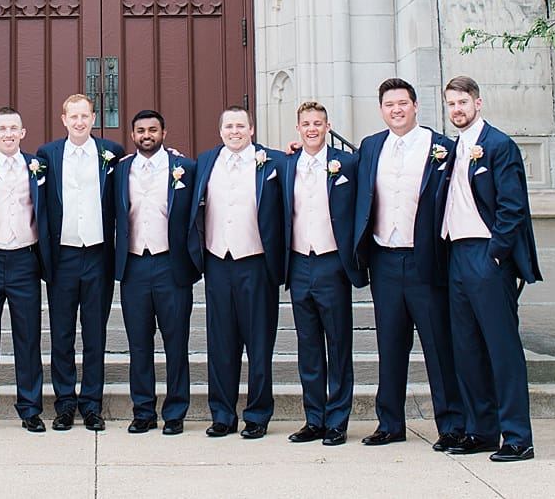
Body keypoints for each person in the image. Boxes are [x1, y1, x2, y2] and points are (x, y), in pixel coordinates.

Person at [355, 78, 466, 450]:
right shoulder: (371, 147)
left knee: (438, 346)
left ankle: (451, 424)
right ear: (382, 109)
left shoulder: (442, 148)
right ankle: (390, 423)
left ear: (416, 106)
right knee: (389, 345)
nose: (396, 110)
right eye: (389, 104)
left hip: (426, 261)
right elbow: (339, 173)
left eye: (402, 103)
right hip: (384, 260)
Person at [438, 75, 542, 462]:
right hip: (456, 257)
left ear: (477, 104)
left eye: (463, 102)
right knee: (466, 350)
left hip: (487, 257)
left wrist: (497, 254)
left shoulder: (499, 145)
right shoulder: (450, 149)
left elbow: (512, 207)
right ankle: (481, 431)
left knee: (502, 349)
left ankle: (517, 437)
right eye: (451, 104)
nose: (457, 110)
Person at [189, 105, 286, 439]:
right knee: (221, 343)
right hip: (217, 263)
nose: (234, 131)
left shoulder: (275, 162)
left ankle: (258, 414)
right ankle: (223, 414)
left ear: (252, 129)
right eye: (228, 126)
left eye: (240, 126)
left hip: (257, 264)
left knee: (259, 343)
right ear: (220, 131)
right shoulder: (205, 162)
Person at [36, 93, 125, 430]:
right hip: (63, 256)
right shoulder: (48, 155)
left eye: (85, 116)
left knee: (94, 334)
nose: (79, 122)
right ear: (64, 119)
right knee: (61, 334)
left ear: (93, 117)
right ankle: (64, 404)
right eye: (73, 116)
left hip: (98, 254)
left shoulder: (110, 153)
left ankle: (91, 404)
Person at [278, 101, 363, 446]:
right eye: (306, 124)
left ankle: (338, 420)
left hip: (332, 263)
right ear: (297, 129)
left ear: (328, 127)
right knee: (308, 345)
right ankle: (314, 418)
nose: (312, 129)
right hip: (299, 262)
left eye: (318, 123)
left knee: (338, 343)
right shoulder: (286, 165)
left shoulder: (348, 164)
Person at [112, 109, 199, 436]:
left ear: (163, 132)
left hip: (170, 266)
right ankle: (143, 410)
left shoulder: (185, 168)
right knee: (139, 344)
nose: (146, 135)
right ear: (132, 135)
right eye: (140, 131)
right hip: (134, 265)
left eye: (152, 130)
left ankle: (175, 411)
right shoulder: (120, 171)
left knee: (176, 342)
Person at [0, 107, 49, 434]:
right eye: (2, 129)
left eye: (13, 128)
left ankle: (30, 408)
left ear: (23, 132)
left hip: (24, 260)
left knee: (28, 338)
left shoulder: (38, 166)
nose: (8, 134)